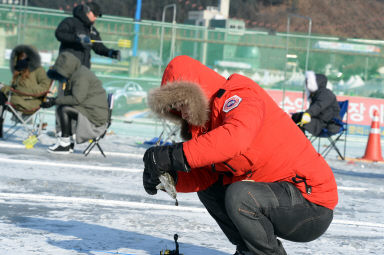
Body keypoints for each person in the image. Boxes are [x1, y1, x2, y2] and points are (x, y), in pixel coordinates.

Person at [142, 56, 338, 255]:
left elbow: (235, 138)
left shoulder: (242, 96)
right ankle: (247, 250)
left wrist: (174, 154)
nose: (182, 114)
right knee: (211, 189)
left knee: (240, 195)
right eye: (175, 109)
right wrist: (167, 179)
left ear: (194, 94)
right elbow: (206, 175)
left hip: (310, 203)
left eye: (181, 104)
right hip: (278, 196)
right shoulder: (209, 127)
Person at [41, 52, 108, 154]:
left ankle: (65, 144)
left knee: (64, 109)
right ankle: (68, 142)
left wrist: (54, 101)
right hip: (91, 110)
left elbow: (77, 99)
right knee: (64, 106)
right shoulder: (76, 73)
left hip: (95, 118)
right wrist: (54, 100)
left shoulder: (81, 76)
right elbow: (72, 98)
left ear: (67, 67)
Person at [0, 45, 51, 138]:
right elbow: (16, 88)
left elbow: (45, 87)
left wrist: (7, 89)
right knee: (1, 96)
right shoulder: (20, 69)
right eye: (20, 56)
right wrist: (4, 87)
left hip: (29, 102)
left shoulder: (39, 70)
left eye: (24, 56)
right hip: (19, 98)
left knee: (1, 96)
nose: (21, 58)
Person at [55, 2, 121, 69]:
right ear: (87, 11)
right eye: (94, 15)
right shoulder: (71, 22)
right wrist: (77, 38)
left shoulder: (92, 30)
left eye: (97, 16)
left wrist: (110, 53)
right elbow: (59, 34)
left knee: (92, 79)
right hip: (67, 66)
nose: (95, 18)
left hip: (83, 69)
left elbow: (98, 47)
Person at [291, 71, 341, 136]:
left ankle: (301, 141)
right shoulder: (317, 94)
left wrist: (308, 113)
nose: (306, 85)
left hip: (329, 124)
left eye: (308, 82)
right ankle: (300, 139)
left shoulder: (326, 93)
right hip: (320, 120)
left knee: (300, 119)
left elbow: (319, 106)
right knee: (297, 116)